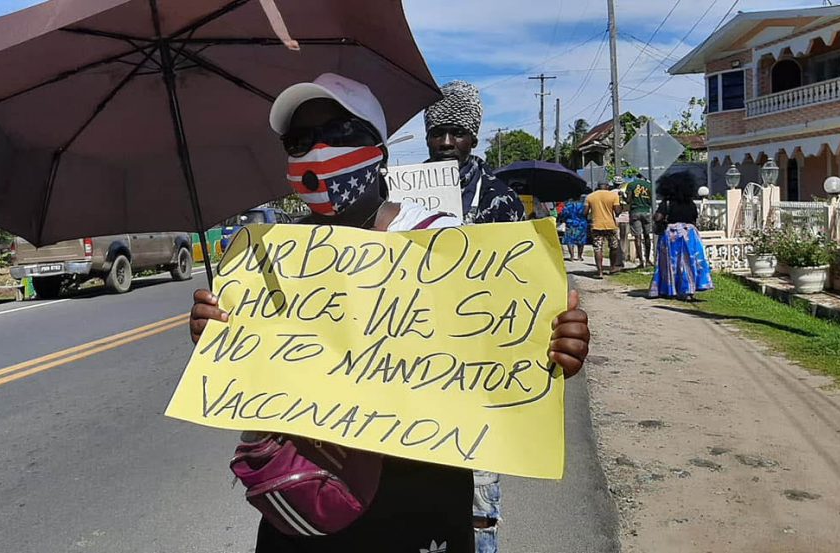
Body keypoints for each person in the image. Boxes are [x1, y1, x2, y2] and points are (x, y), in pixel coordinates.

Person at [188, 73, 592, 553]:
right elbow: (253, 373)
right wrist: (216, 333)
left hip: (420, 494)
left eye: (339, 136)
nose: (319, 152)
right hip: (306, 501)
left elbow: (502, 351)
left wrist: (555, 345)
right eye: (300, 141)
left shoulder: (443, 243)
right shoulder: (268, 257)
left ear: (379, 150)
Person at [423, 79, 526, 553]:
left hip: (480, 375)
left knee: (478, 507)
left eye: (456, 132)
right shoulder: (401, 194)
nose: (446, 142)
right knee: (416, 508)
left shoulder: (499, 198)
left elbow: (522, 285)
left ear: (474, 136)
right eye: (437, 131)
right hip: (415, 374)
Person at [424, 80, 526, 225]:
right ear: (427, 139)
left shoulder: (504, 200)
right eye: (437, 134)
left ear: (473, 141)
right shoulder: (401, 197)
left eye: (458, 134)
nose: (446, 143)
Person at [650, 171, 714, 300]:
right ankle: (688, 290)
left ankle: (670, 289)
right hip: (689, 235)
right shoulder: (690, 203)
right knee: (689, 262)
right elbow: (694, 219)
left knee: (670, 263)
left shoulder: (666, 203)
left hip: (671, 235)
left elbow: (658, 217)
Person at [586, 181, 623, 278]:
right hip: (611, 225)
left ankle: (600, 272)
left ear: (598, 187)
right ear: (607, 186)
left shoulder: (590, 196)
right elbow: (618, 212)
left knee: (598, 248)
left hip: (596, 226)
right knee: (613, 247)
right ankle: (612, 267)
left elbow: (584, 212)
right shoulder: (613, 196)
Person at [624, 177, 654, 267]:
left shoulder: (631, 185)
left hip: (635, 211)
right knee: (647, 235)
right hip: (646, 211)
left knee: (637, 237)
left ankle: (641, 261)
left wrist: (623, 197)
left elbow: (628, 200)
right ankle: (648, 259)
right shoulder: (649, 185)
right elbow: (651, 200)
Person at [559, 195, 589, 261]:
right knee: (581, 240)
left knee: (569, 240)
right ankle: (579, 256)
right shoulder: (583, 206)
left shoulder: (568, 206)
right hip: (581, 224)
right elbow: (586, 213)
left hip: (571, 223)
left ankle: (572, 256)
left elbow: (564, 214)